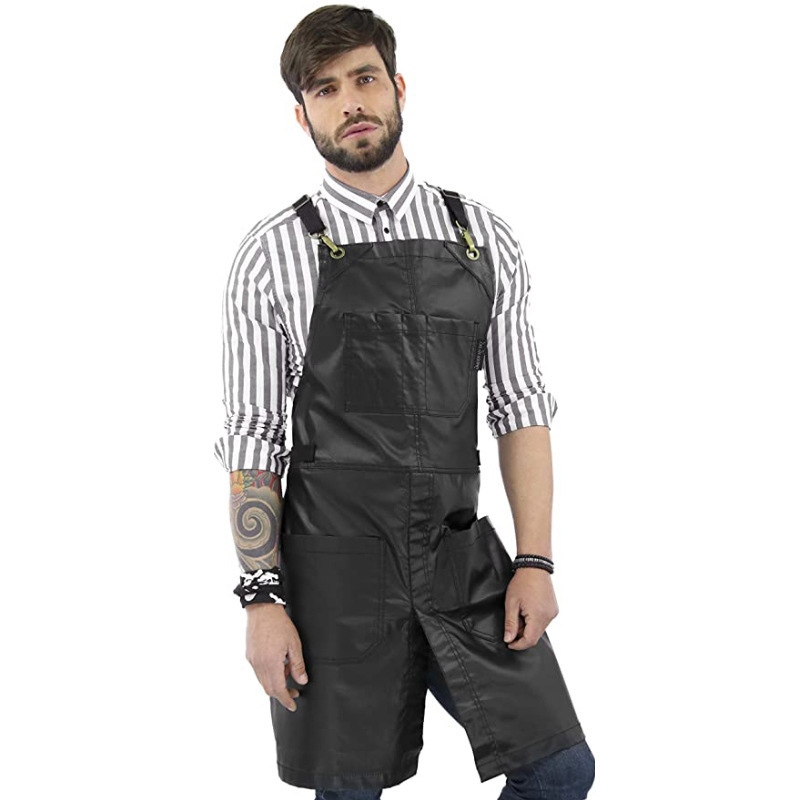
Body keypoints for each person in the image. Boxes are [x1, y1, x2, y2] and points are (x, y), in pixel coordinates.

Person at [214, 6, 595, 799]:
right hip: (333, 581)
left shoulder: (483, 236)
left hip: (460, 562)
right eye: (325, 90)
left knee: (559, 770)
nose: (350, 102)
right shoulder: (272, 254)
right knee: (350, 789)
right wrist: (261, 600)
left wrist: (535, 560)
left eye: (365, 79)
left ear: (398, 87)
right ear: (302, 115)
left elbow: (521, 407)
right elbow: (254, 442)